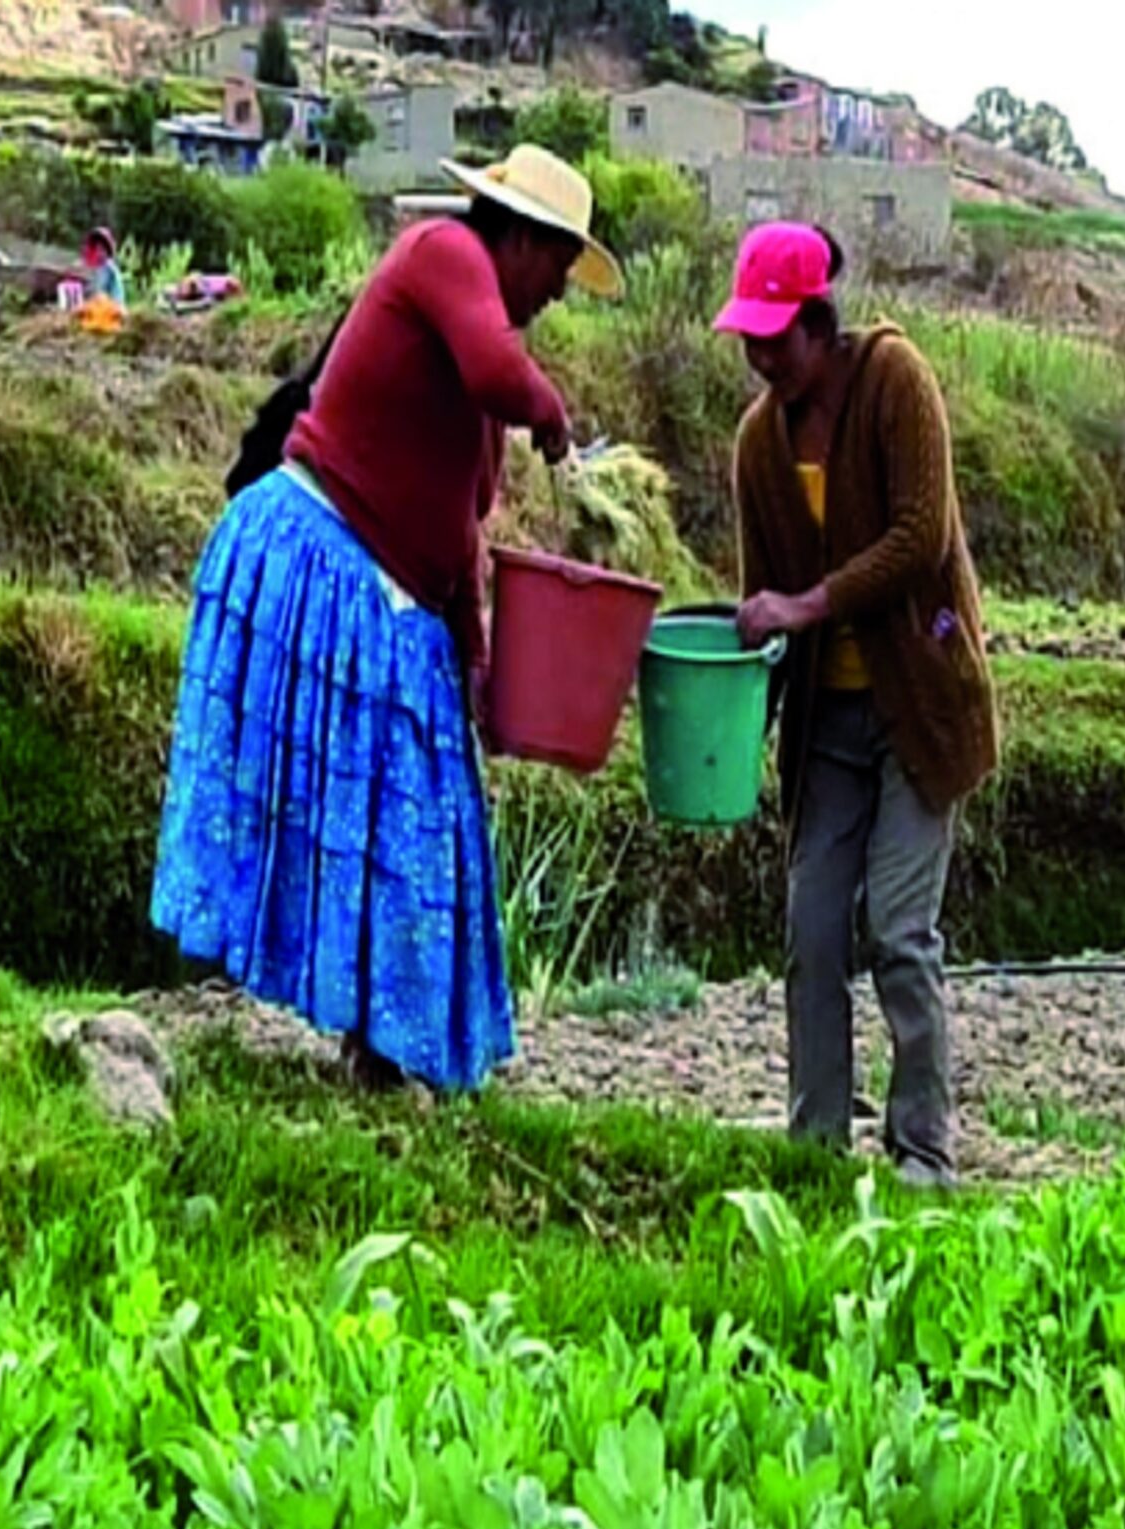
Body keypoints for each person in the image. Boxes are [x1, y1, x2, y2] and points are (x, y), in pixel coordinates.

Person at [150, 145, 621, 1095]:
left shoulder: (474, 373)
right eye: (560, 269)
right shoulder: (443, 254)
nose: (559, 294)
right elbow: (501, 371)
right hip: (323, 555)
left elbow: (460, 538)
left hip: (402, 595)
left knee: (423, 819)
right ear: (522, 239)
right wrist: (553, 412)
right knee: (371, 810)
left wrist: (478, 664)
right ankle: (373, 1046)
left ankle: (382, 1051)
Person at [719, 221, 999, 1187]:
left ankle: (923, 1147)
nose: (761, 358)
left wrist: (810, 603)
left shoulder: (895, 382)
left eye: (775, 339)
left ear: (819, 322)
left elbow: (922, 537)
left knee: (899, 930)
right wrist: (734, 700)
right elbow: (764, 596)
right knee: (812, 930)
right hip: (826, 725)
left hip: (919, 703)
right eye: (748, 341)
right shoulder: (758, 443)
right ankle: (816, 1149)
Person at [80, 228, 126, 311]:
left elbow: (99, 290)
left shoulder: (108, 268)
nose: (98, 253)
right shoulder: (96, 267)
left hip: (110, 308)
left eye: (102, 249)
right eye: (97, 249)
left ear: (107, 251)